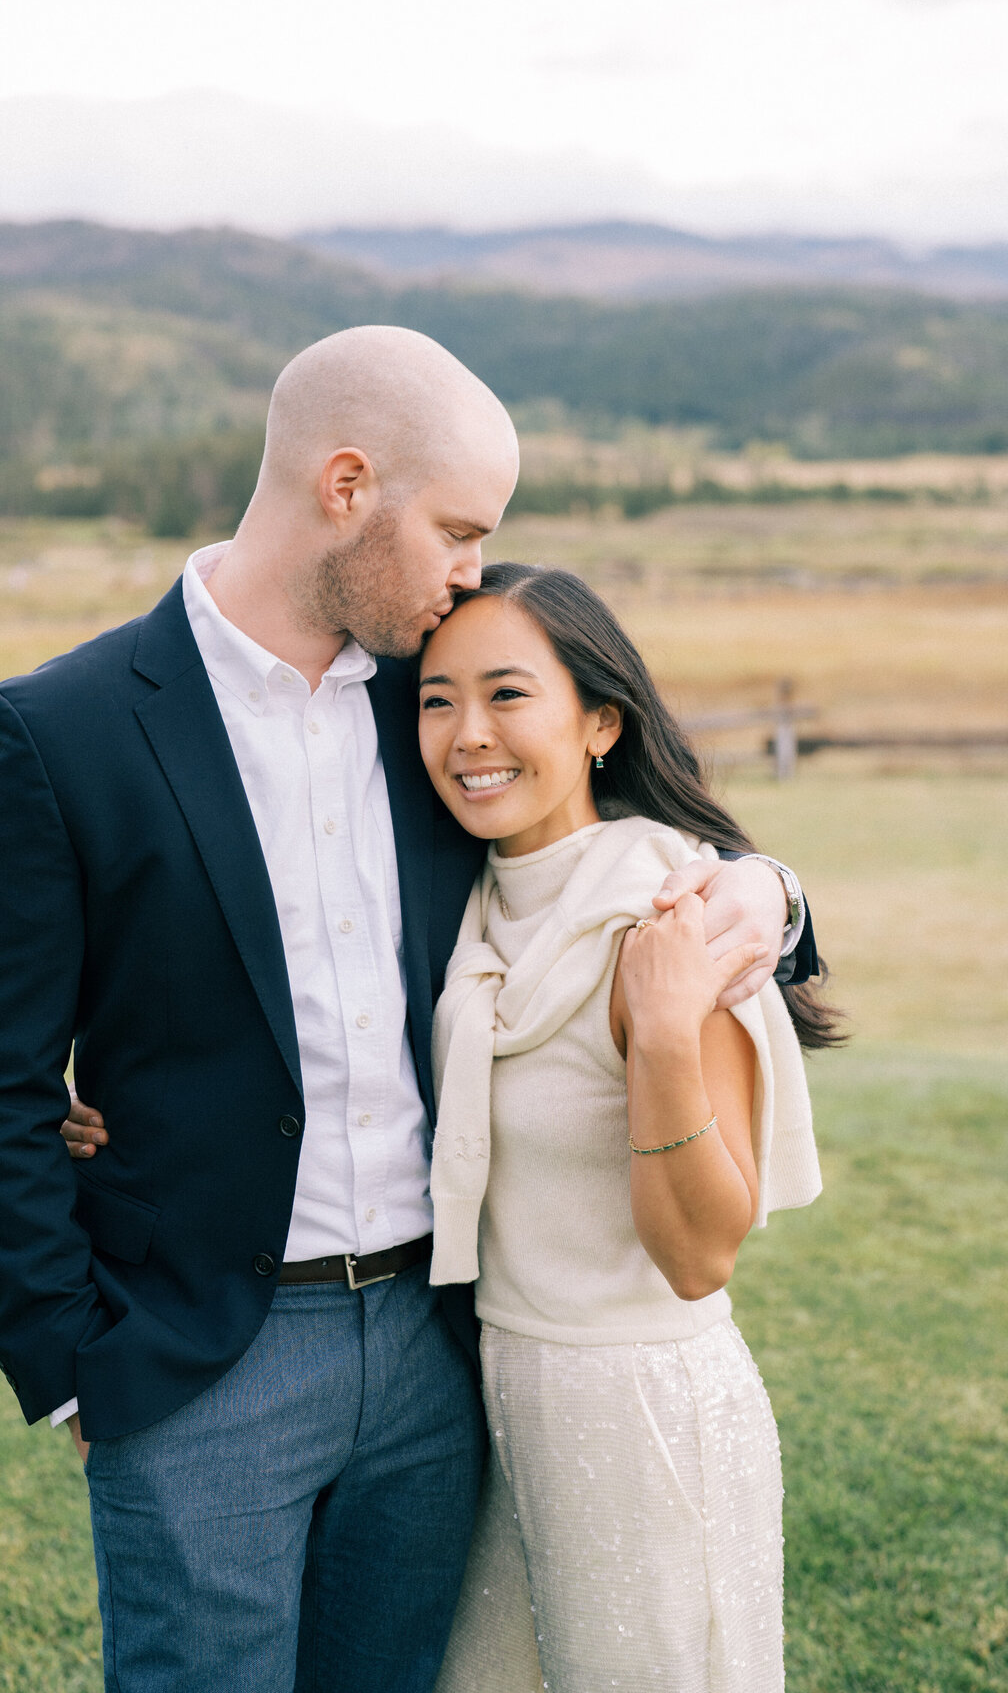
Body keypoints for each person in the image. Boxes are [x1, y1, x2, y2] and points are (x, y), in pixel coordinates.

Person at [0, 325, 815, 1693]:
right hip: (197, 1363)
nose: (473, 569)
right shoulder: (63, 732)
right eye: (460, 528)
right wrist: (69, 1366)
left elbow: (625, 826)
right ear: (348, 486)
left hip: (434, 1345)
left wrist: (774, 892)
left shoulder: (441, 708)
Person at [411, 562, 841, 1693]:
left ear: (602, 721)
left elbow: (701, 1255)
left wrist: (660, 1039)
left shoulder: (674, 912)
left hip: (640, 1412)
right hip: (500, 1393)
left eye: (508, 694)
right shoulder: (472, 901)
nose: (468, 735)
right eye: (437, 699)